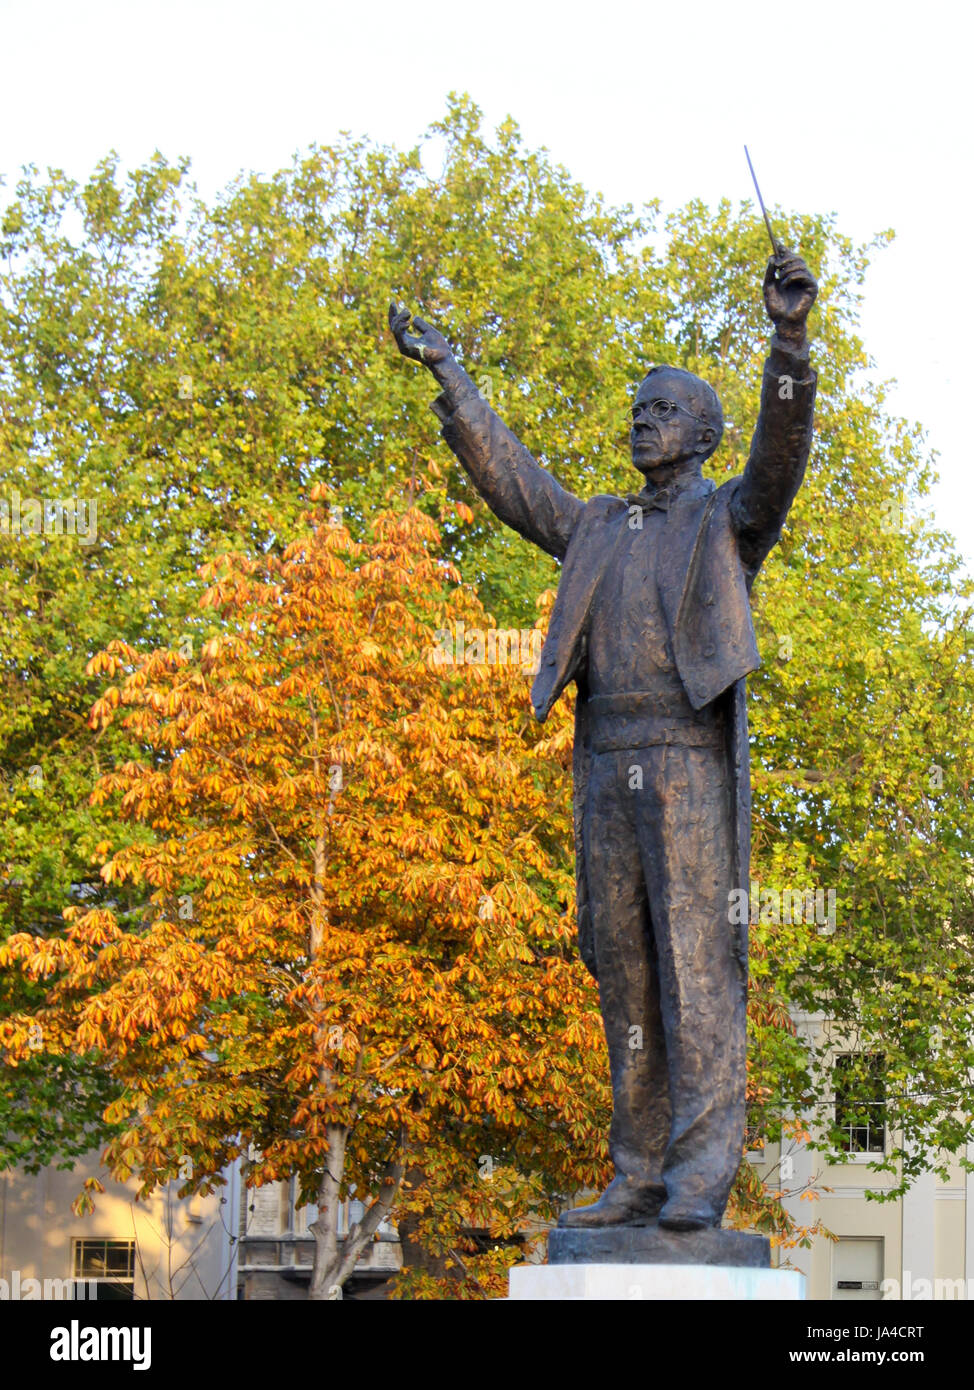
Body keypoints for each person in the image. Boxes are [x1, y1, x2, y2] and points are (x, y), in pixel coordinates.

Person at [388, 247, 817, 1231]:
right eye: (634, 408)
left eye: (659, 409)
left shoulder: (725, 517)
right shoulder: (597, 525)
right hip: (603, 764)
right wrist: (450, 372)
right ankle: (633, 1172)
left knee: (694, 970)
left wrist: (786, 341)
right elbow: (513, 482)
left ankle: (698, 1175)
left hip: (687, 765)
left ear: (701, 434)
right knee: (618, 968)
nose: (639, 421)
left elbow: (780, 457)